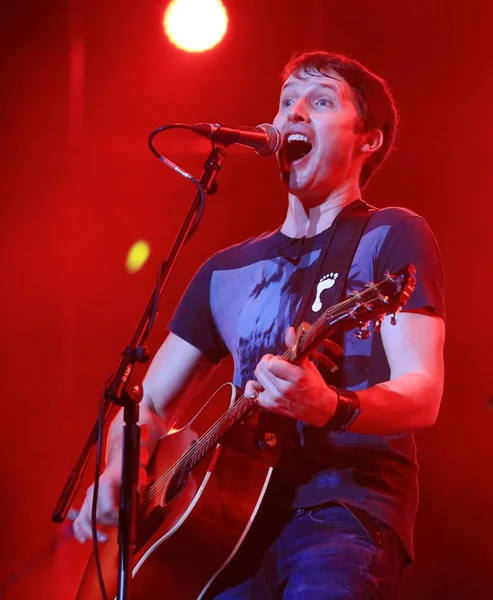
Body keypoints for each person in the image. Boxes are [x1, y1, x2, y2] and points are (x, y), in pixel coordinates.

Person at [73, 51, 445, 599]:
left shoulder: (390, 235)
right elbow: (146, 407)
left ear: (369, 140)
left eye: (319, 102)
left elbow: (423, 393)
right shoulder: (225, 271)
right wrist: (119, 472)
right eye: (286, 101)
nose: (294, 112)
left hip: (339, 511)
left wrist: (332, 406)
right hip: (224, 534)